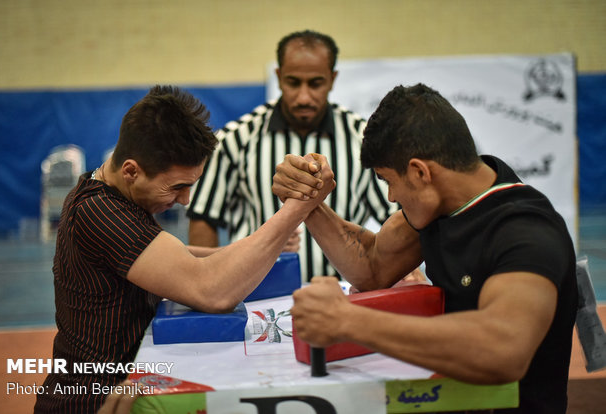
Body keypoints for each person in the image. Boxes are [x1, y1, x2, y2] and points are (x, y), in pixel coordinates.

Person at [274, 84, 578, 413]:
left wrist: (347, 320)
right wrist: (307, 202)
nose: (391, 197)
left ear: (420, 172)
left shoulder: (527, 233)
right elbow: (372, 268)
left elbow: (503, 349)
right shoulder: (447, 203)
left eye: (389, 181)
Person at [34, 85, 333, 413]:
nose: (185, 199)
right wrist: (296, 209)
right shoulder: (101, 212)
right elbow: (211, 292)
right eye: (177, 187)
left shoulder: (109, 191)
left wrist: (259, 247)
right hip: (91, 402)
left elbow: (178, 256)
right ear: (131, 170)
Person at [187, 30, 395, 281]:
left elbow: (395, 220)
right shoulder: (236, 139)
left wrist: (404, 270)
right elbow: (204, 217)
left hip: (337, 293)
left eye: (316, 83)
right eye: (293, 82)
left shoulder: (362, 140)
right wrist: (208, 282)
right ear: (278, 77)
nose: (304, 96)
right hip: (254, 293)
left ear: (332, 78)